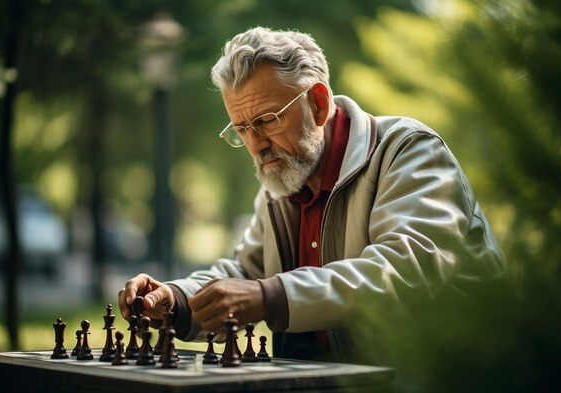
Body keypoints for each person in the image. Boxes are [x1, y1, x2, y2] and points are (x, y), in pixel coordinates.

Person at [119, 26, 509, 362]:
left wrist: (270, 297)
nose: (256, 145)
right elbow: (246, 275)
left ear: (318, 103)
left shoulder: (409, 150)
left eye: (267, 121)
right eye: (241, 129)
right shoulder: (282, 180)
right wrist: (177, 299)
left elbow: (406, 270)